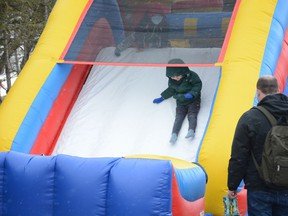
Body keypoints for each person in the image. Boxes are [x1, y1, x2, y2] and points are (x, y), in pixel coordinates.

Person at [227, 75, 288, 216]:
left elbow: (239, 156)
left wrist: (232, 185)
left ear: (258, 92)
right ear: (278, 90)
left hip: (259, 186)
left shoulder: (250, 117)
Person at [153, 58, 202, 144]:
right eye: (173, 77)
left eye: (178, 76)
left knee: (192, 115)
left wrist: (192, 93)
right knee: (178, 117)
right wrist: (162, 97)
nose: (176, 78)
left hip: (193, 100)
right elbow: (171, 90)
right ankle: (174, 134)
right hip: (180, 101)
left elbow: (197, 84)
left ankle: (191, 130)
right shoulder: (172, 81)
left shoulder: (191, 75)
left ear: (183, 72)